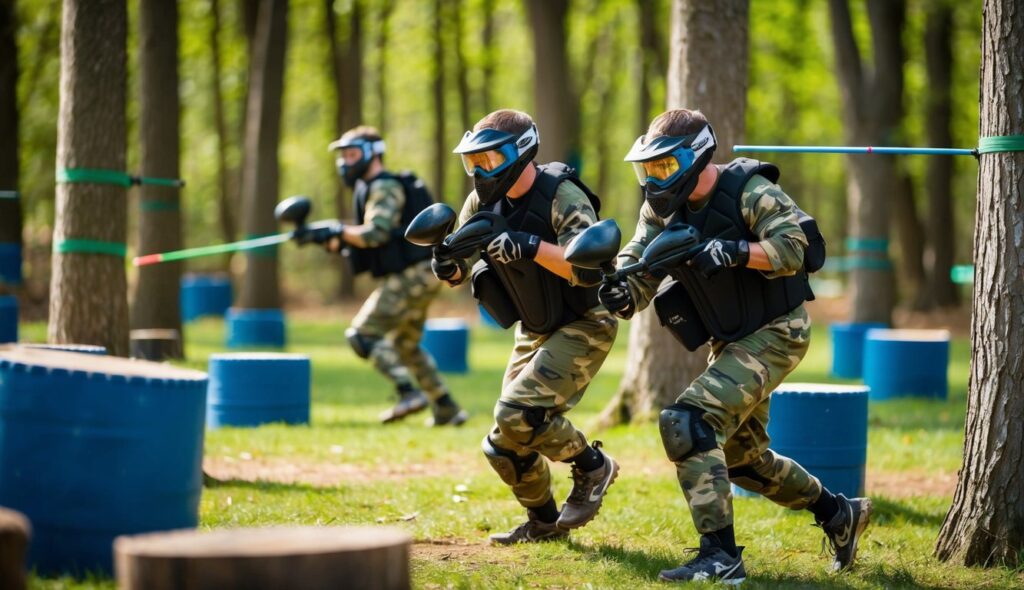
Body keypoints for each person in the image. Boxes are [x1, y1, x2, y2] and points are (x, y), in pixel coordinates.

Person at [597, 109, 871, 584]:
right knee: (744, 461)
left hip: (778, 331)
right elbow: (641, 259)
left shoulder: (751, 191)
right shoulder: (658, 209)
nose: (655, 180)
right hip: (730, 338)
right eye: (649, 170)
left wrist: (736, 252)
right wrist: (623, 290)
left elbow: (797, 251)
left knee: (688, 421)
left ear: (695, 156)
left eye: (664, 167)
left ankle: (721, 557)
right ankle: (838, 513)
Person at [431, 109, 619, 543]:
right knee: (503, 444)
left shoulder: (563, 196)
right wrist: (447, 265)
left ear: (520, 153)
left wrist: (532, 246)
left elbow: (588, 271)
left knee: (518, 414)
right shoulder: (481, 202)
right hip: (534, 326)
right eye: (472, 162)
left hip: (585, 320)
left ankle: (592, 465)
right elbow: (460, 268)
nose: (479, 171)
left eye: (489, 160)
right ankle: (545, 525)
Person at [323, 125, 468, 426]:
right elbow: (375, 240)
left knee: (363, 335)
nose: (346, 162)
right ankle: (446, 407)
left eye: (353, 154)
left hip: (412, 275)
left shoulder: (383, 186)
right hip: (421, 274)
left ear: (374, 154)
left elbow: (375, 233)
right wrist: (331, 238)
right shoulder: (376, 187)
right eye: (344, 156)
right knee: (405, 344)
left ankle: (408, 393)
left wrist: (338, 229)